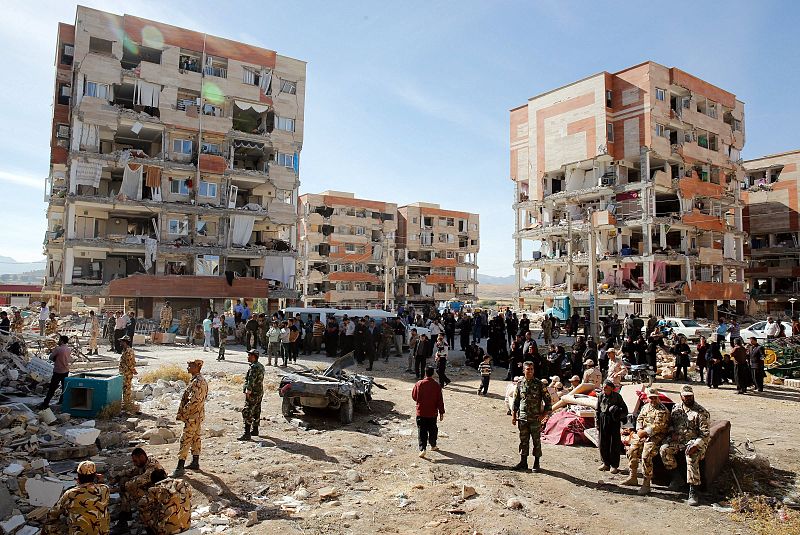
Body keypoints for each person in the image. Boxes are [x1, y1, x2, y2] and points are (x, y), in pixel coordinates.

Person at [659, 385, 710, 506]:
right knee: (664, 450)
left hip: (695, 442)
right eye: (685, 396)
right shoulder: (676, 408)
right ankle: (676, 477)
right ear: (681, 396)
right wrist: (672, 433)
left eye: (690, 396)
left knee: (691, 457)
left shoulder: (701, 412)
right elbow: (671, 423)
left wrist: (696, 445)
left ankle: (693, 491)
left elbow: (705, 434)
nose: (688, 398)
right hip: (679, 441)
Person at [621, 387, 670, 495]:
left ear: (658, 398)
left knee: (646, 455)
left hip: (657, 436)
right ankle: (633, 477)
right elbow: (639, 419)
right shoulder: (646, 407)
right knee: (632, 450)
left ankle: (646, 483)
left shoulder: (662, 410)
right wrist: (639, 429)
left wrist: (645, 432)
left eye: (654, 398)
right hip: (643, 434)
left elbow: (659, 426)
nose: (652, 400)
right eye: (650, 398)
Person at [44, 460, 109, 535]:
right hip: (102, 533)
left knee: (50, 525)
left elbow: (52, 514)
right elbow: (100, 486)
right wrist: (100, 480)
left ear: (78, 476)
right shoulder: (104, 489)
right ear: (95, 475)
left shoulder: (70, 493)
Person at [512, 361, 552, 472]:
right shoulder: (520, 384)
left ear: (534, 370)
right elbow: (516, 401)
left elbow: (548, 402)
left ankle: (536, 463)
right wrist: (514, 415)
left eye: (531, 369)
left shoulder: (539, 384)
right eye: (527, 369)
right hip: (523, 418)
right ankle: (523, 462)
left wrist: (543, 415)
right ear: (523, 370)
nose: (529, 371)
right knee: (523, 440)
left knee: (536, 441)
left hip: (535, 419)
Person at [172, 360, 208, 476]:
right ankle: (195, 462)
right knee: (195, 438)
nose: (188, 367)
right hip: (198, 415)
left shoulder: (197, 382)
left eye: (190, 366)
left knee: (185, 439)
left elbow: (194, 401)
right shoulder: (199, 380)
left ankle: (180, 467)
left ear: (197, 367)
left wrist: (185, 413)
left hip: (192, 416)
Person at [113, 448, 163, 529]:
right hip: (151, 490)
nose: (134, 463)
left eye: (135, 461)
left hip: (159, 494)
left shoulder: (152, 466)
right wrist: (117, 477)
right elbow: (131, 471)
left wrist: (119, 488)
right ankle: (126, 514)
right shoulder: (143, 463)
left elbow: (140, 481)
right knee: (124, 479)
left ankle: (147, 520)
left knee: (131, 487)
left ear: (142, 457)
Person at [138, 468, 192, 535]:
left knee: (145, 509)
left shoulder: (155, 490)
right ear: (165, 475)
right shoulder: (183, 484)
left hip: (167, 531)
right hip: (186, 525)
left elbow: (141, 504)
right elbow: (189, 496)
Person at [411, 365, 445, 458]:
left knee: (422, 431)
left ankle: (422, 449)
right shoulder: (437, 385)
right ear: (433, 374)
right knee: (433, 429)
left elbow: (414, 396)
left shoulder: (419, 383)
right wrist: (441, 412)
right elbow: (440, 400)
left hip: (421, 412)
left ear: (425, 373)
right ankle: (433, 445)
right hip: (432, 413)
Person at [596, 379, 628, 473]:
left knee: (614, 443)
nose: (604, 388)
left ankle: (614, 465)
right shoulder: (600, 396)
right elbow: (597, 410)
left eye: (606, 387)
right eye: (603, 387)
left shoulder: (617, 397)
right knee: (603, 442)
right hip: (603, 419)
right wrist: (597, 422)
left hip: (614, 420)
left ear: (611, 388)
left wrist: (618, 415)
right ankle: (605, 463)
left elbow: (625, 410)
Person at [37, 335, 72, 410]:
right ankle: (61, 401)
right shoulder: (68, 349)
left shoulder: (58, 349)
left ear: (62, 341)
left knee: (52, 388)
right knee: (64, 387)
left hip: (58, 371)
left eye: (59, 340)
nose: (58, 341)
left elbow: (50, 357)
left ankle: (45, 403)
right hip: (66, 370)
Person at [239, 349, 265, 440]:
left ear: (254, 356)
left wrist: (248, 391)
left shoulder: (254, 367)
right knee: (257, 410)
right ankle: (255, 430)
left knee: (247, 411)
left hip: (253, 393)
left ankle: (247, 434)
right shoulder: (261, 366)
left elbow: (251, 380)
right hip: (259, 392)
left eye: (249, 355)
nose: (248, 357)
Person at [118, 335, 137, 411]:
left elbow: (130, 363)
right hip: (124, 373)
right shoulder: (126, 350)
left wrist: (133, 371)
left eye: (122, 341)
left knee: (126, 389)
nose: (120, 343)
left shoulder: (129, 351)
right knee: (125, 389)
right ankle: (126, 403)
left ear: (125, 342)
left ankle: (127, 404)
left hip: (127, 374)